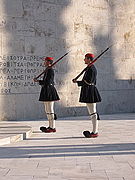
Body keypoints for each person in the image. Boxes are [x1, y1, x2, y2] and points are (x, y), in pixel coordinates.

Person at [72, 53, 101, 138]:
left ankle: (95, 132)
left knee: (93, 112)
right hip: (88, 90)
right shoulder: (89, 68)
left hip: (90, 90)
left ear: (89, 59)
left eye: (85, 58)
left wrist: (77, 81)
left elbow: (88, 81)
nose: (84, 60)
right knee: (92, 112)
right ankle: (94, 131)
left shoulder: (91, 69)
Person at [33, 57, 60, 133]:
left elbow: (48, 81)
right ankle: (50, 125)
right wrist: (39, 81)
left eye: (45, 61)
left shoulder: (50, 70)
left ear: (48, 62)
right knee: (47, 109)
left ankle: (53, 127)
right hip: (45, 89)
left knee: (50, 109)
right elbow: (45, 81)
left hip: (49, 90)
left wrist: (38, 81)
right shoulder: (47, 70)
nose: (44, 62)